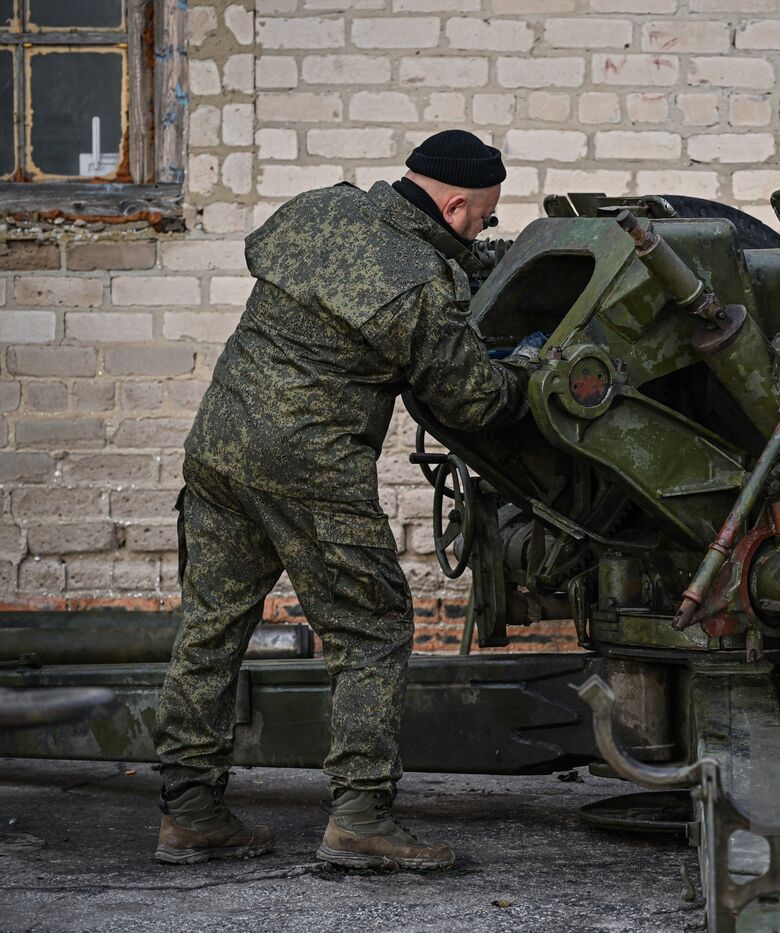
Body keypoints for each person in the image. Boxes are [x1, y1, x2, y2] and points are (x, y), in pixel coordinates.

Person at [152, 131, 537, 870]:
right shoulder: (421, 287)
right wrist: (524, 367)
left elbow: (372, 265)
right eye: (484, 218)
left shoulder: (320, 210)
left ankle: (189, 812)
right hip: (310, 466)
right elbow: (475, 401)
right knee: (371, 628)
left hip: (222, 444)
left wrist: (481, 258)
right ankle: (361, 817)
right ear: (455, 207)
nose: (482, 228)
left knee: (210, 628)